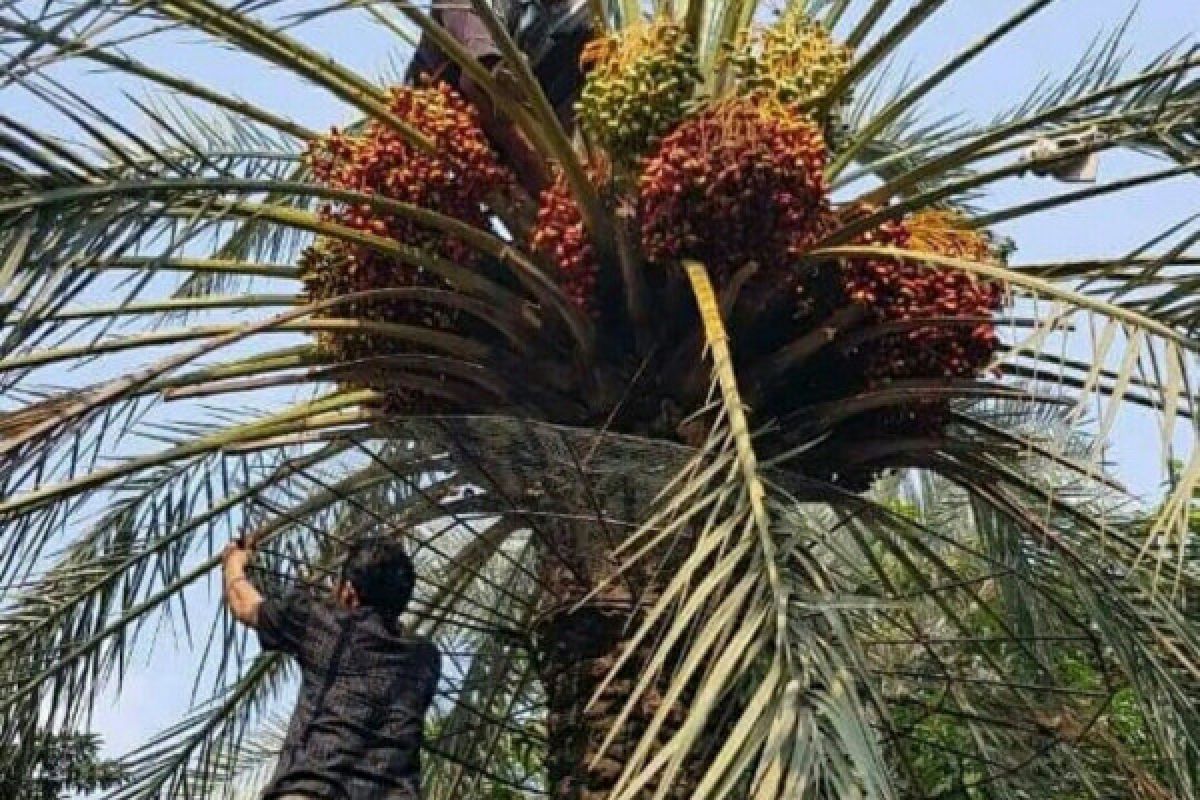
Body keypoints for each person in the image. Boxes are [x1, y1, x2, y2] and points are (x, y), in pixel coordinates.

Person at [222, 538, 441, 800]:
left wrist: (234, 562)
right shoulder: (425, 659)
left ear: (349, 592)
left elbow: (244, 604)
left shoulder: (322, 624)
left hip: (313, 790)